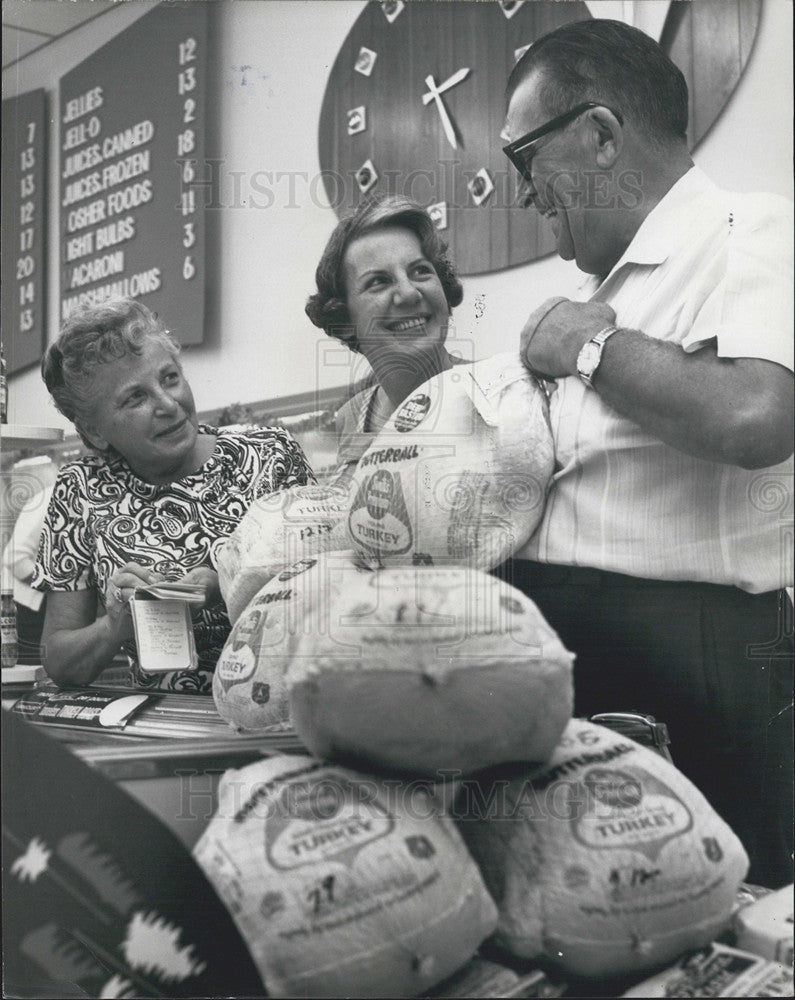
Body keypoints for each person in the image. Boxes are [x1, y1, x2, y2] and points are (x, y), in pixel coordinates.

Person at [499, 19, 793, 887]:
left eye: (525, 159)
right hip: (586, 662)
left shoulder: (750, 229)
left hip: (703, 672)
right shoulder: (608, 288)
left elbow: (755, 415)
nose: (523, 195)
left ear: (598, 136)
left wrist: (591, 349)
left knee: (713, 919)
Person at [32, 298, 314, 694]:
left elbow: (331, 592)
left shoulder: (270, 454)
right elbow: (60, 662)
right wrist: (115, 624)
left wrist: (228, 583)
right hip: (166, 723)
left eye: (169, 378)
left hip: (283, 705)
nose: (168, 404)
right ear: (95, 432)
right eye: (135, 398)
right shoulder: (80, 490)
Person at [306, 195, 469, 476]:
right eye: (378, 281)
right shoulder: (352, 416)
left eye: (420, 271)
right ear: (344, 318)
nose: (408, 292)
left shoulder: (493, 389)